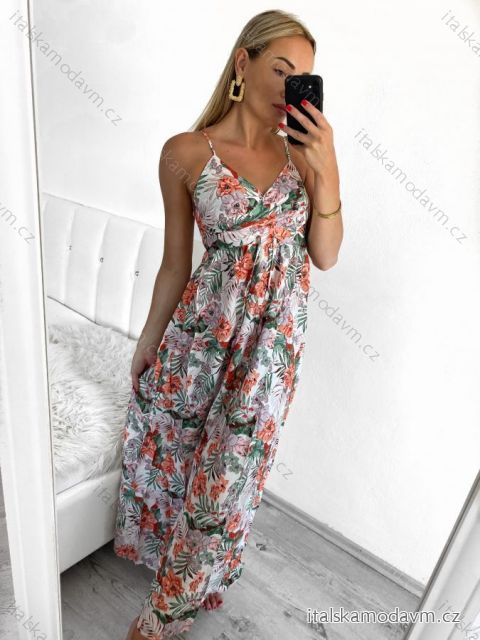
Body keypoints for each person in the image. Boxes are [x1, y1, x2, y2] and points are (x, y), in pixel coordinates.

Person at [114, 9, 343, 640]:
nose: (291, 88)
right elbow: (175, 264)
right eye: (281, 70)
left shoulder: (305, 155)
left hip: (270, 351)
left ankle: (162, 617)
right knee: (180, 456)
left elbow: (324, 255)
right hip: (203, 340)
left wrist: (328, 167)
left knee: (229, 473)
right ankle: (181, 577)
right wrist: (148, 343)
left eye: (304, 78)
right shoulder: (186, 153)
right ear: (244, 62)